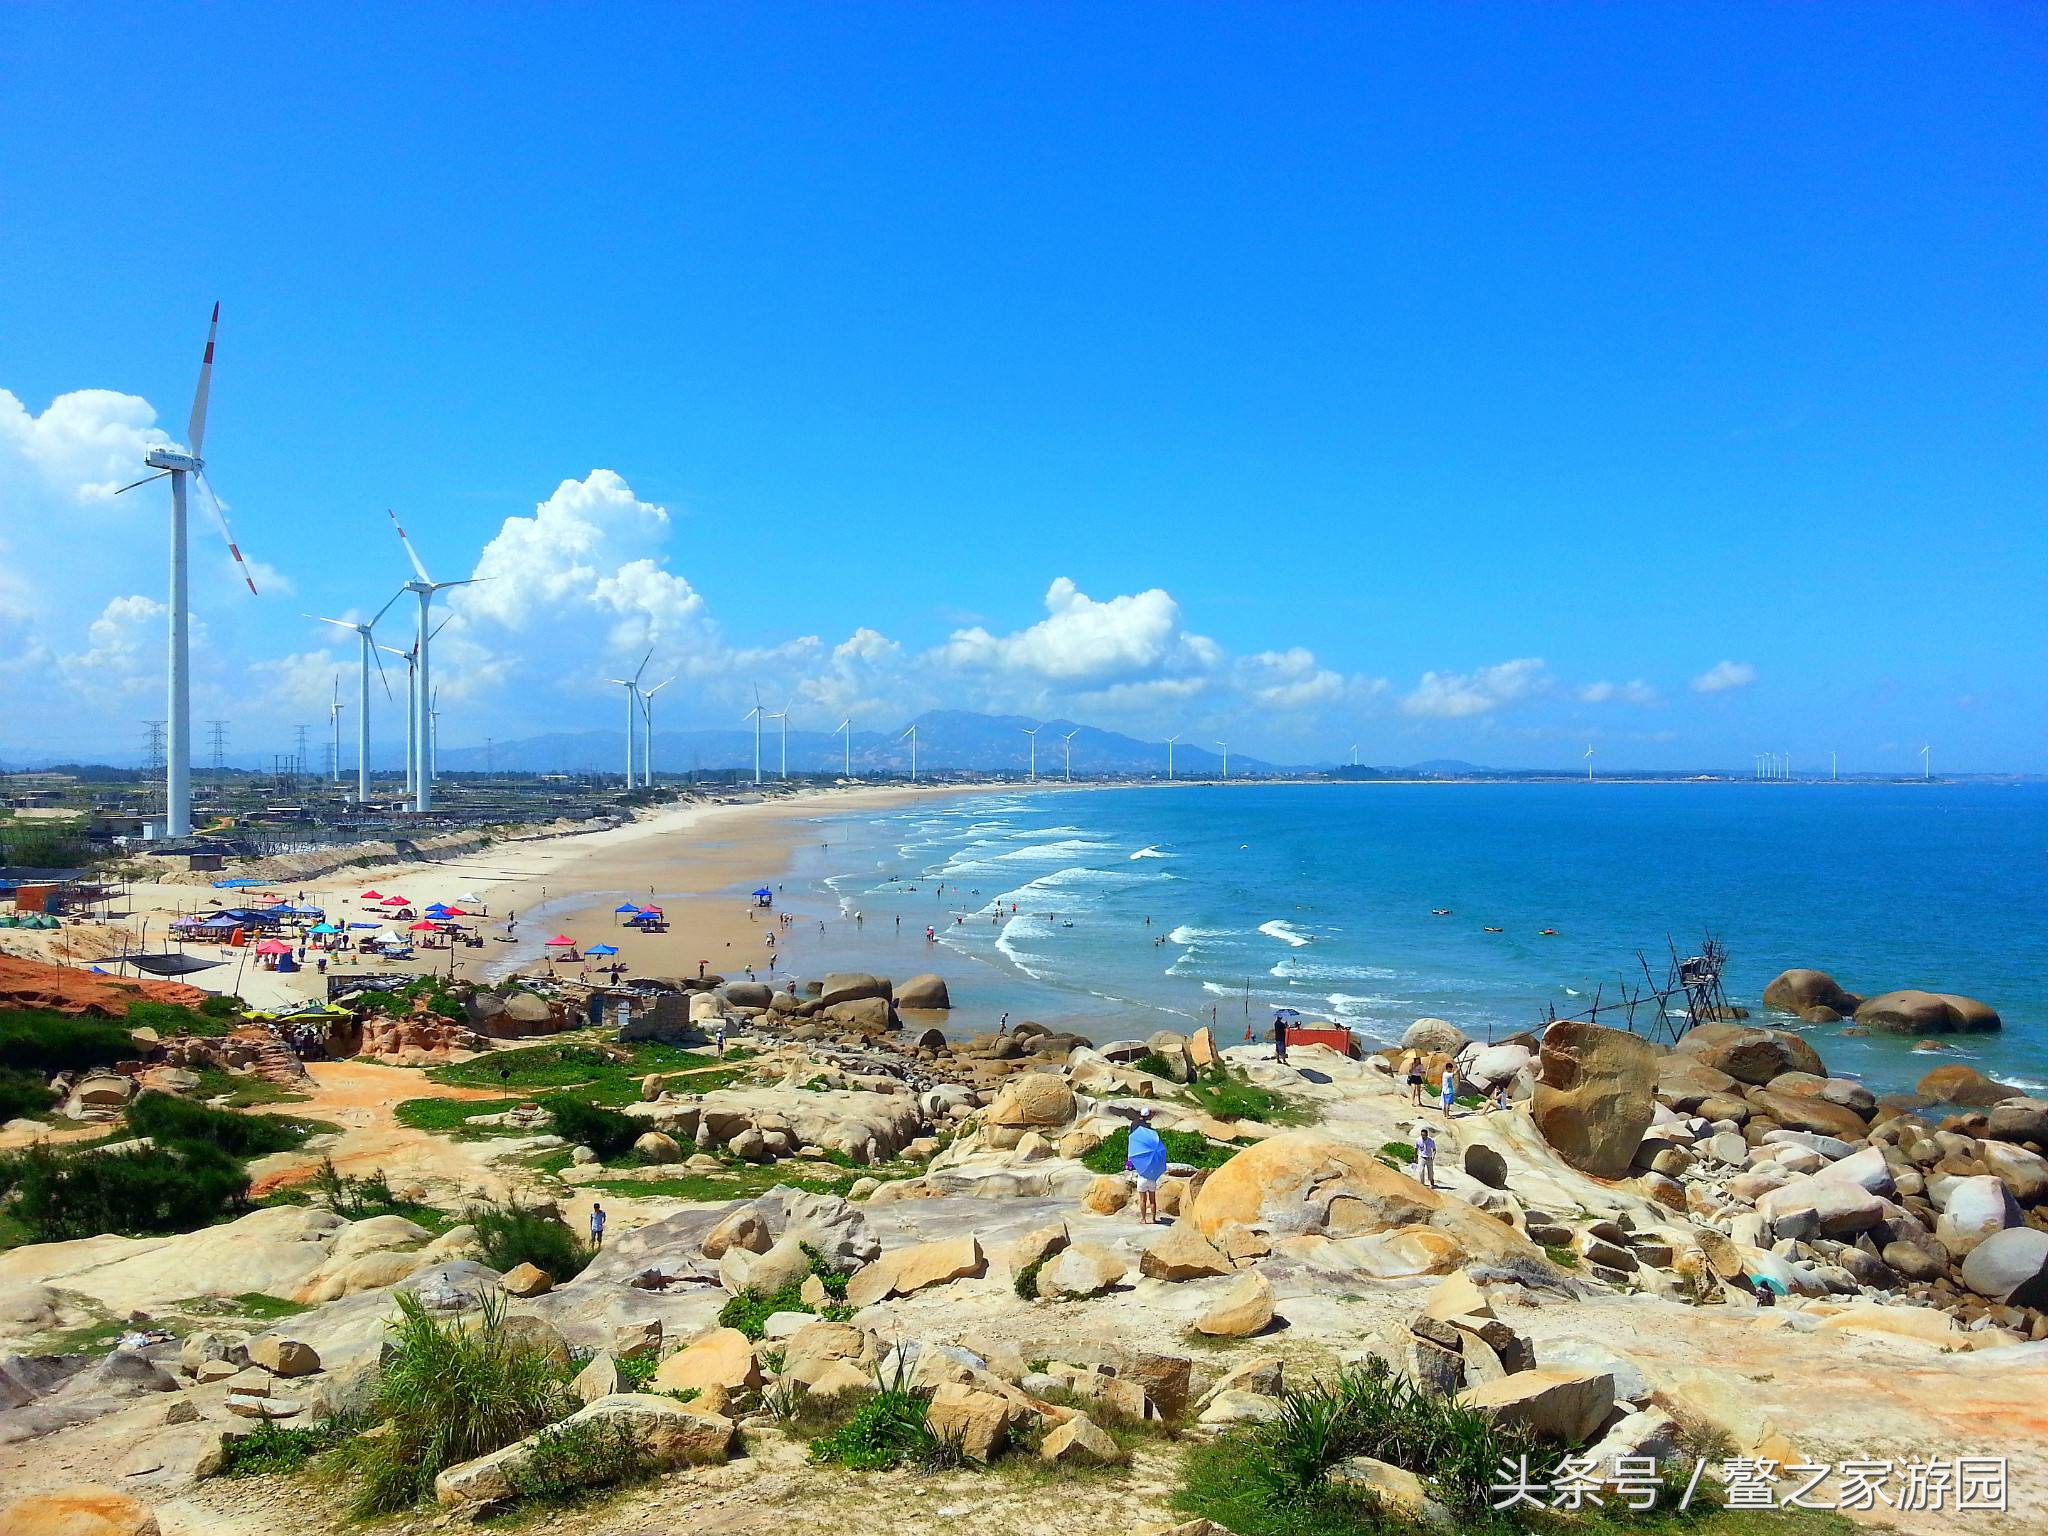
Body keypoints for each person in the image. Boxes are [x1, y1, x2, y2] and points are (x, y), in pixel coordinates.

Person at [1125, 1107, 1169, 1224]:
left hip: (1141, 1173)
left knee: (1142, 1199)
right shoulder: (1149, 1129)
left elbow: (1132, 1137)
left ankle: (1143, 1219)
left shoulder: (1134, 1124)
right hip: (1152, 1178)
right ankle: (1154, 1219)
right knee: (1152, 1200)